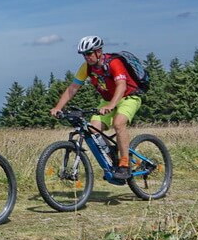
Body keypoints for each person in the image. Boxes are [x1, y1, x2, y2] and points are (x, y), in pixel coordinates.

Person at [49, 35, 142, 181]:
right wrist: (58, 107)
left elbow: (121, 86)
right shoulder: (86, 67)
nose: (86, 57)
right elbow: (73, 88)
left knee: (118, 123)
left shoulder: (114, 63)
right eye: (84, 55)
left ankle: (124, 163)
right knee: (92, 129)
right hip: (107, 101)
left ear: (99, 51)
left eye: (89, 53)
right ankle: (112, 153)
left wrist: (112, 105)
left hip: (128, 97)